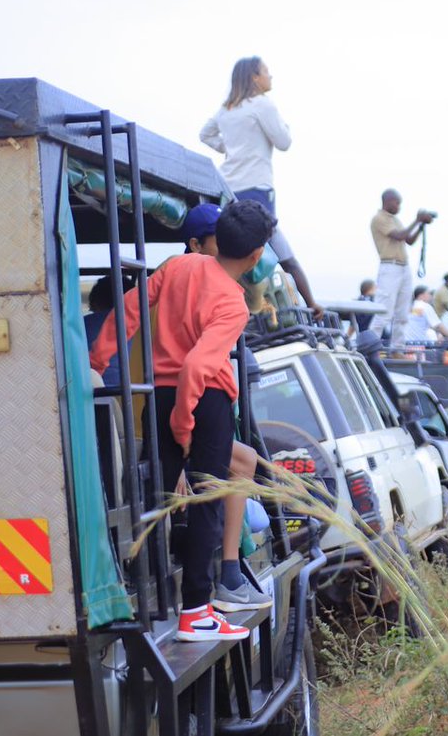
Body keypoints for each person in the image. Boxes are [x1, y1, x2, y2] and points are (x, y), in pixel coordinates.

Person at [90, 199, 276, 642]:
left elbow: (128, 308)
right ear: (254, 256)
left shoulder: (179, 266)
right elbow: (197, 367)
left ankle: (149, 594)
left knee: (160, 499)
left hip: (159, 396)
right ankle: (197, 613)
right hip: (202, 402)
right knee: (208, 504)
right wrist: (185, 425)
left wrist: (99, 358)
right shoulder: (233, 303)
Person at [179, 201, 268, 613]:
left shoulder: (189, 278)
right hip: (179, 408)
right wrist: (180, 439)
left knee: (243, 460)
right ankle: (221, 581)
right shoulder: (204, 287)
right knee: (219, 481)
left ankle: (231, 570)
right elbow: (191, 364)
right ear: (197, 244)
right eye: (215, 242)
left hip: (186, 404)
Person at [199, 56, 323, 320]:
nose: (271, 76)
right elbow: (284, 141)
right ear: (255, 77)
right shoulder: (263, 105)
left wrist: (231, 149)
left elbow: (205, 134)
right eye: (267, 71)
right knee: (277, 250)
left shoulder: (227, 109)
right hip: (257, 188)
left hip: (229, 190)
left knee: (233, 250)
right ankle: (312, 305)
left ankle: (223, 307)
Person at [368, 189, 434, 350]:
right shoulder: (379, 219)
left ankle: (398, 348)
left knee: (402, 313)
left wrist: (421, 225)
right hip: (389, 267)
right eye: (397, 203)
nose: (399, 206)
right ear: (388, 201)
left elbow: (409, 239)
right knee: (383, 311)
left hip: (403, 267)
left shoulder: (395, 220)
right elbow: (399, 235)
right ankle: (370, 347)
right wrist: (417, 220)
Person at [83, 275, 134, 387]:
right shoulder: (145, 326)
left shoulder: (82, 326)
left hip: (93, 395)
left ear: (95, 302)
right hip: (138, 394)